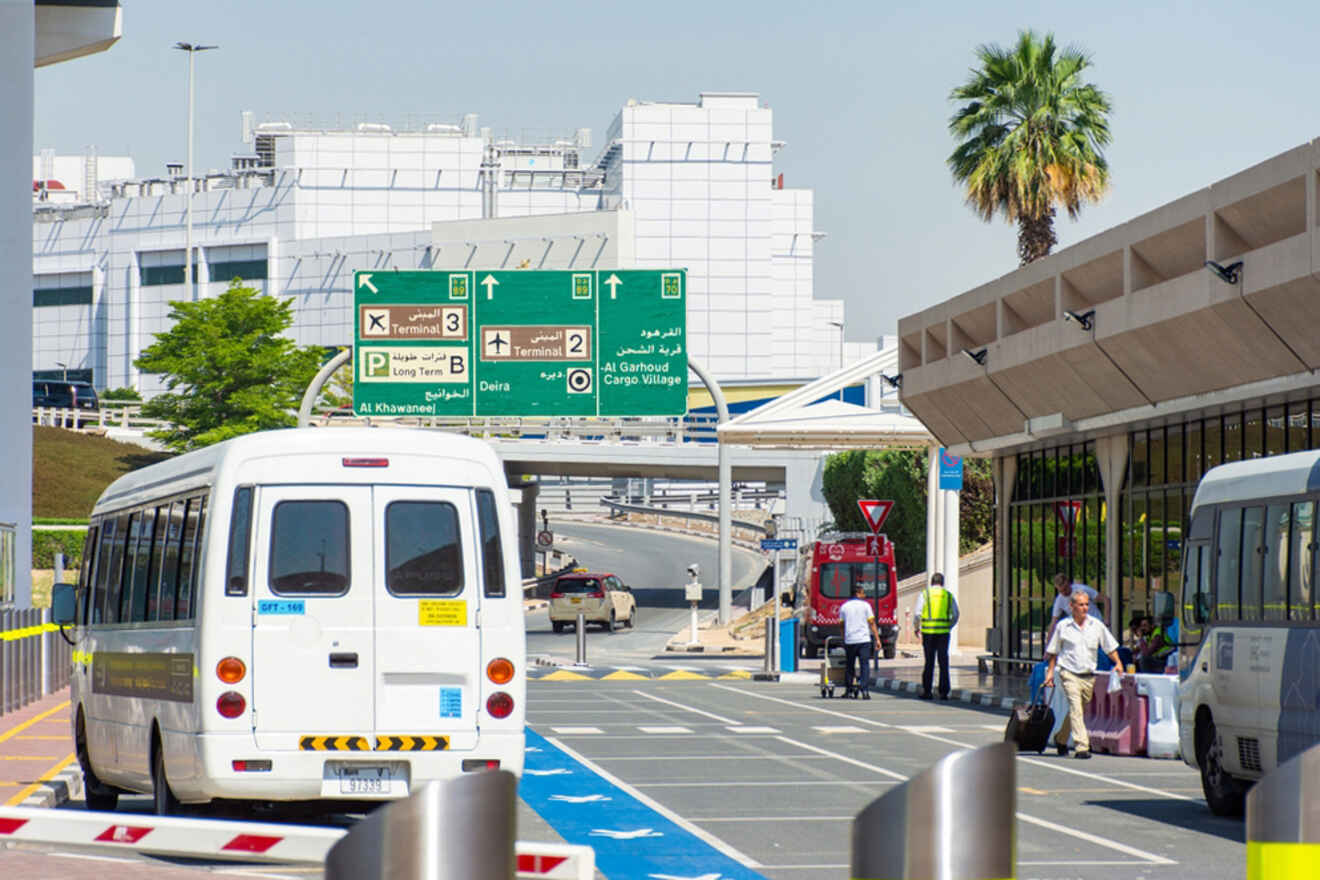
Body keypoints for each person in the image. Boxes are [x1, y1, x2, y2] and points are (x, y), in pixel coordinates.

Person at [1044, 590, 1123, 759]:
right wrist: (1050, 673)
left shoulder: (1096, 625)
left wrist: (1118, 662)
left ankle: (1061, 738)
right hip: (1069, 673)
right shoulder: (1063, 627)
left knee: (1078, 710)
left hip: (1088, 675)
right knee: (1075, 707)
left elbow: (1109, 646)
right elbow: (1054, 651)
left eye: (1087, 604)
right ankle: (1082, 746)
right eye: (1081, 605)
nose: (1085, 608)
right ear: (1071, 606)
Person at [915, 572, 959, 700]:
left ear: (931, 582)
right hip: (943, 634)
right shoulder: (948, 595)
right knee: (943, 662)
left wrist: (917, 628)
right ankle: (944, 692)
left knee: (929, 662)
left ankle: (927, 691)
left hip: (928, 633)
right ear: (942, 583)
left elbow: (918, 614)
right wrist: (948, 625)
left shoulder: (925, 594)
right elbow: (956, 614)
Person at [838, 583, 880, 699]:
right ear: (857, 593)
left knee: (849, 666)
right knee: (864, 665)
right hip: (863, 640)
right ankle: (865, 690)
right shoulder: (866, 606)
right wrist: (877, 639)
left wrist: (843, 638)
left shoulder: (844, 607)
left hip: (850, 640)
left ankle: (848, 690)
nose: (864, 595)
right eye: (863, 593)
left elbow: (841, 625)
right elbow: (871, 623)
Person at [1046, 573, 1107, 643]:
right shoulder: (1059, 600)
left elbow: (1106, 600)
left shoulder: (1082, 589)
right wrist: (1048, 646)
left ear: (1068, 583)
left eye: (1065, 589)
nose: (1064, 593)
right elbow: (1053, 622)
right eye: (1061, 591)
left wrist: (1106, 619)